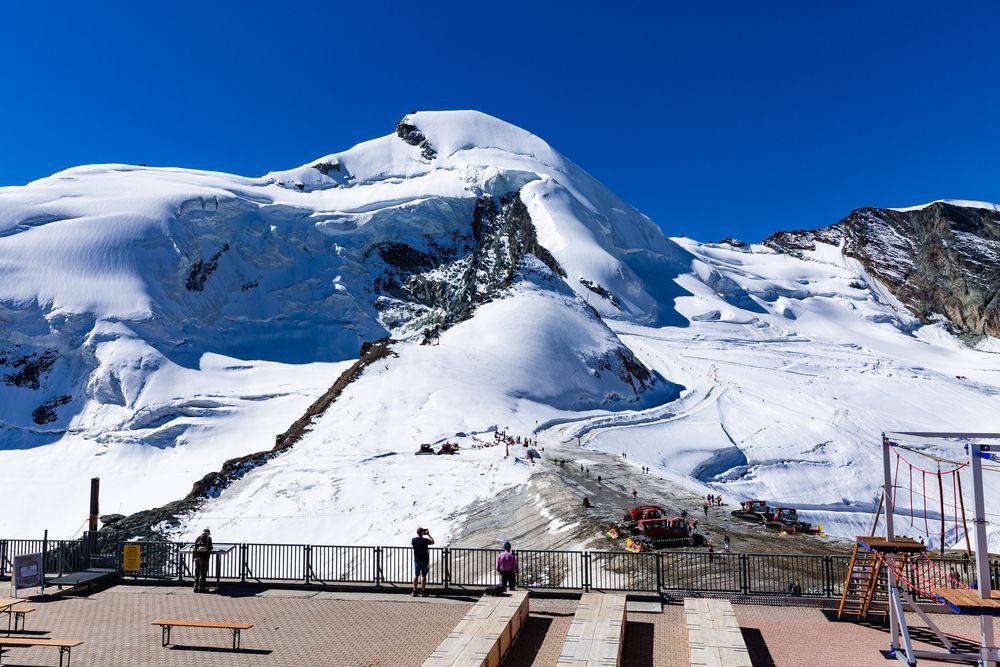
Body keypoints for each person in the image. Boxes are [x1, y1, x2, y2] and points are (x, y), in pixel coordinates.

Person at [411, 527, 435, 597]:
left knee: (416, 575)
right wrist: (428, 535)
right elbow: (433, 541)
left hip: (417, 560)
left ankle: (414, 591)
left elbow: (413, 544)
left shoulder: (413, 540)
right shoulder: (425, 540)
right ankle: (423, 591)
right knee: (424, 576)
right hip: (425, 560)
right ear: (422, 533)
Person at [193, 528, 213, 593]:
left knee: (197, 573)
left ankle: (195, 588)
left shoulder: (198, 538)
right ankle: (201, 588)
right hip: (204, 558)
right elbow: (210, 547)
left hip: (197, 558)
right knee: (203, 574)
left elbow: (195, 547)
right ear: (208, 533)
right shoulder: (208, 539)